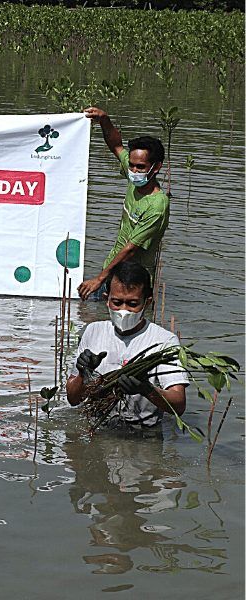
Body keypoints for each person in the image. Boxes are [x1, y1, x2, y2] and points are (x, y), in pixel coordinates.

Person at [66, 261, 188, 429]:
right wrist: (82, 373)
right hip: (98, 426)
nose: (124, 310)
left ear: (147, 303)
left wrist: (147, 390)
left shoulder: (164, 341)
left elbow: (179, 404)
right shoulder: (93, 331)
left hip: (142, 432)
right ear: (106, 300)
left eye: (132, 304)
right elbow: (73, 399)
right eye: (117, 302)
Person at [79, 107, 169, 301]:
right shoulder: (133, 177)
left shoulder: (157, 206)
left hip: (134, 283)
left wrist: (99, 278)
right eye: (132, 165)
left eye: (140, 167)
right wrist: (104, 120)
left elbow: (131, 248)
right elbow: (116, 146)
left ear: (156, 167)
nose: (134, 170)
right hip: (113, 271)